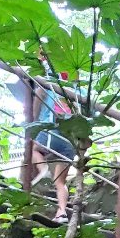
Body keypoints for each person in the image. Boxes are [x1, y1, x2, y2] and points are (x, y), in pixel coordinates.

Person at [25, 78, 76, 223]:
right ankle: (62, 212)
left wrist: (32, 120)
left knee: (34, 149)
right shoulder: (79, 91)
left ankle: (44, 170)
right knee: (60, 182)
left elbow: (38, 98)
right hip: (70, 140)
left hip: (50, 129)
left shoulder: (47, 84)